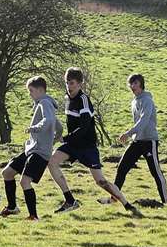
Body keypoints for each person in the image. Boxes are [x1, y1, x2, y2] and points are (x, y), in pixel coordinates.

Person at [46, 68, 140, 217]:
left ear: (80, 84)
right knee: (51, 162)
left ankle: (127, 205)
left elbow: (83, 128)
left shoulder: (84, 100)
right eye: (66, 83)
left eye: (71, 83)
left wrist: (64, 138)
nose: (68, 86)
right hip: (72, 144)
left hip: (87, 147)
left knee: (101, 181)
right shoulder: (67, 98)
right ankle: (70, 201)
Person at [0, 76, 59, 219]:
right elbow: (58, 125)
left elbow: (49, 120)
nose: (30, 94)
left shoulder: (45, 102)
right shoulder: (45, 103)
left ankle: (33, 216)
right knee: (7, 173)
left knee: (25, 181)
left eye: (31, 91)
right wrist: (57, 136)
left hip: (40, 152)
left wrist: (35, 128)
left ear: (40, 90)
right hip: (32, 149)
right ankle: (12, 207)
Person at [115, 73, 167, 207]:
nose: (132, 86)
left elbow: (144, 120)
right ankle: (113, 198)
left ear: (141, 85)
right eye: (131, 83)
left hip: (149, 141)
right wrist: (132, 135)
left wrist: (128, 133)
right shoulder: (134, 101)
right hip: (137, 141)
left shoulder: (147, 101)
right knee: (122, 168)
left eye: (135, 83)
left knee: (155, 171)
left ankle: (166, 201)